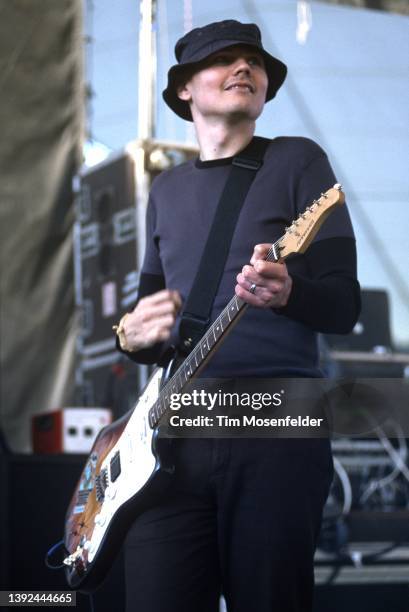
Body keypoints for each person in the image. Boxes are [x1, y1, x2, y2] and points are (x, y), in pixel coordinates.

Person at [115, 19, 360, 612]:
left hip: (276, 426)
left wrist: (287, 294)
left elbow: (344, 305)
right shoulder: (166, 192)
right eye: (222, 59)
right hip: (173, 437)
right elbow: (155, 323)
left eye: (253, 60)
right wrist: (132, 336)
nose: (244, 67)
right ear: (184, 90)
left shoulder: (299, 161)